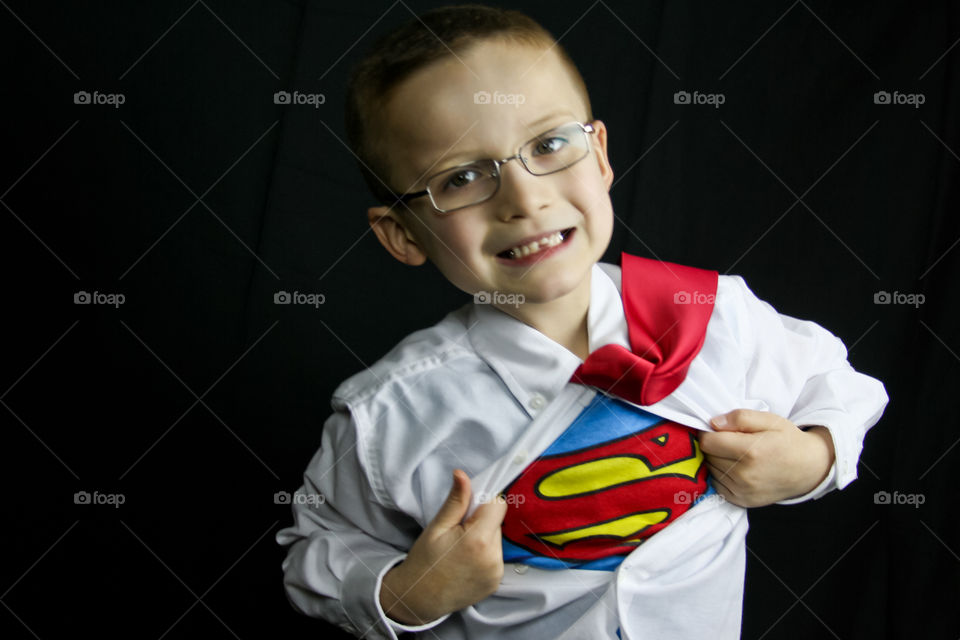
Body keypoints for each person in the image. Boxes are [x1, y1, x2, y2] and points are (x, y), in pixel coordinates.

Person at [275, 5, 888, 639]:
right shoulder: (389, 412)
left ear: (598, 155)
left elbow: (841, 387)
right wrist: (406, 592)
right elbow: (316, 549)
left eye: (547, 145)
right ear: (402, 233)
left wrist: (813, 458)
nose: (525, 198)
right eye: (460, 178)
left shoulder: (711, 314)